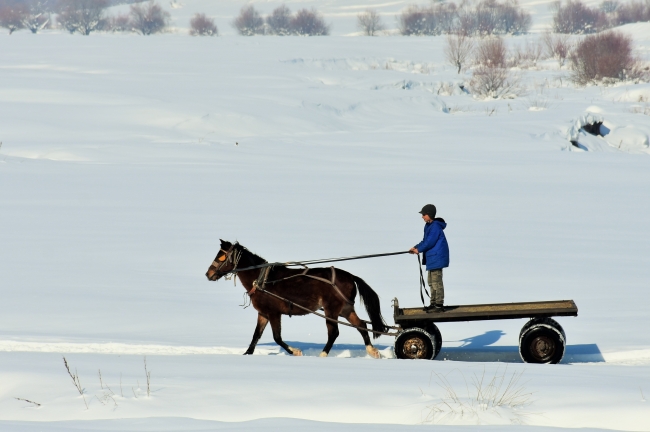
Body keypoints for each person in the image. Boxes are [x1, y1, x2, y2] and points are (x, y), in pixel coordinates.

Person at [409, 204, 450, 312]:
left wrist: (419, 250)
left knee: (437, 282)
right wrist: (416, 247)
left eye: (424, 214)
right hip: (432, 259)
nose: (422, 216)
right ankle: (433, 303)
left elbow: (430, 242)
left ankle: (439, 304)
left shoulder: (435, 226)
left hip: (437, 258)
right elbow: (425, 241)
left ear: (430, 215)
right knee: (431, 282)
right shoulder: (428, 226)